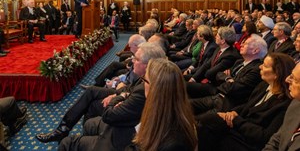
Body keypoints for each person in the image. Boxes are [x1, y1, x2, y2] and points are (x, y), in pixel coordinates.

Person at [36, 42, 166, 147]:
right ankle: (65, 130)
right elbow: (129, 89)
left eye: (136, 59)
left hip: (124, 118)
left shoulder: (146, 84)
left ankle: (68, 133)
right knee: (91, 91)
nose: (132, 62)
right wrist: (120, 93)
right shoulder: (144, 77)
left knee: (92, 103)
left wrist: (119, 97)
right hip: (123, 94)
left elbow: (130, 94)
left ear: (147, 65)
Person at [197, 53, 295, 151]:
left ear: (276, 74)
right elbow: (248, 105)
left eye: (265, 66)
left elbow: (265, 137)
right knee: (207, 120)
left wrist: (236, 120)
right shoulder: (263, 85)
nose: (260, 66)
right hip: (240, 128)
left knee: (210, 131)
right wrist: (230, 114)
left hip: (250, 141)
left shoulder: (285, 103)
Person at [126, 58, 198, 151]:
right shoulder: (168, 111)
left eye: (144, 80)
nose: (142, 84)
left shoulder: (174, 142)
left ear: (155, 88)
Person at [190, 34, 267, 116]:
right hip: (218, 96)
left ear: (255, 51)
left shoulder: (256, 69)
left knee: (195, 121)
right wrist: (228, 79)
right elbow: (218, 75)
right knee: (185, 104)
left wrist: (226, 79)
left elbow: (233, 89)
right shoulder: (239, 62)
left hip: (226, 104)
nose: (241, 44)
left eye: (246, 44)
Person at [262, 62, 300, 150]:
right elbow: (277, 139)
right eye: (291, 74)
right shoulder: (296, 103)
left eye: (294, 79)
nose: (287, 79)